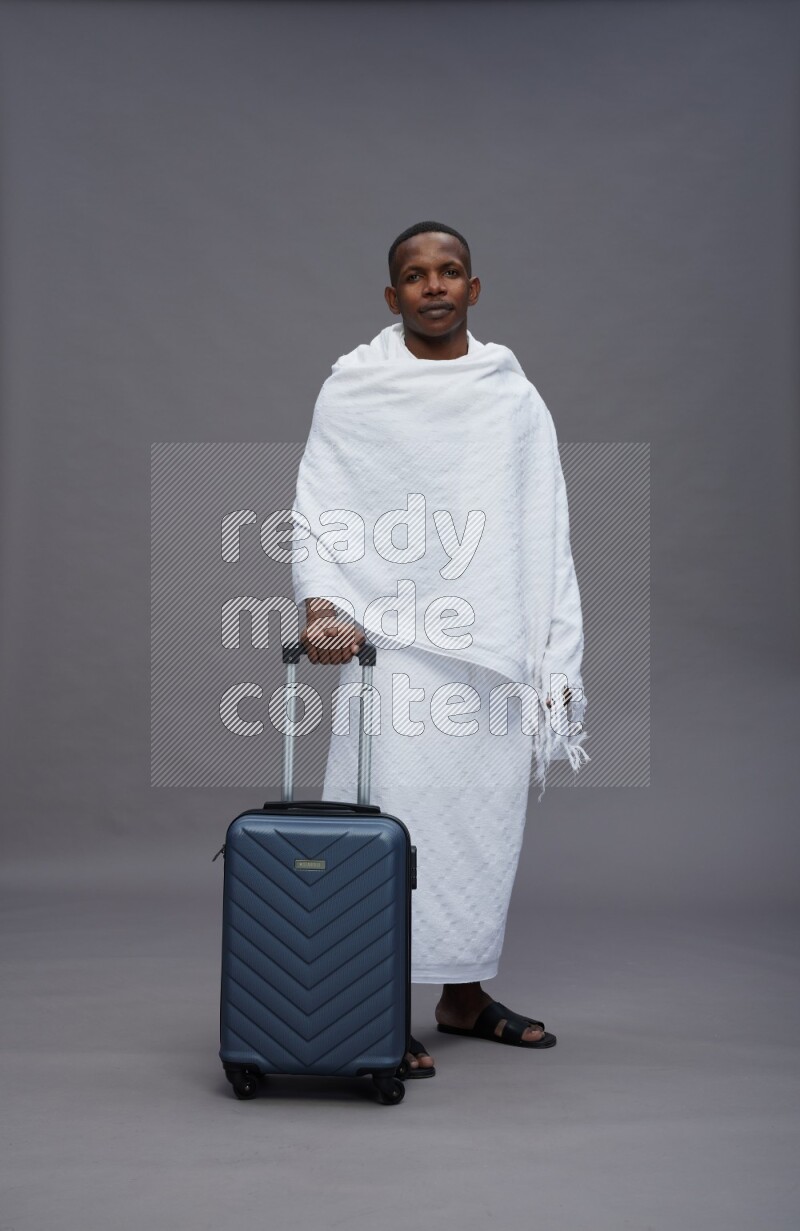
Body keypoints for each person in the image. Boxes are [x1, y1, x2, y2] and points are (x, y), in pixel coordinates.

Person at [293, 221, 587, 1077]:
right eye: (416, 275)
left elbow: (545, 523)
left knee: (480, 824)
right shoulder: (355, 389)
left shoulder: (511, 396)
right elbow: (320, 503)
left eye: (449, 271)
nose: (434, 285)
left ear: (473, 288)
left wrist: (551, 652)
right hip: (389, 641)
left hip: (490, 644)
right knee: (385, 819)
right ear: (393, 296)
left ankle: (462, 995)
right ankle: (373, 999)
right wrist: (322, 606)